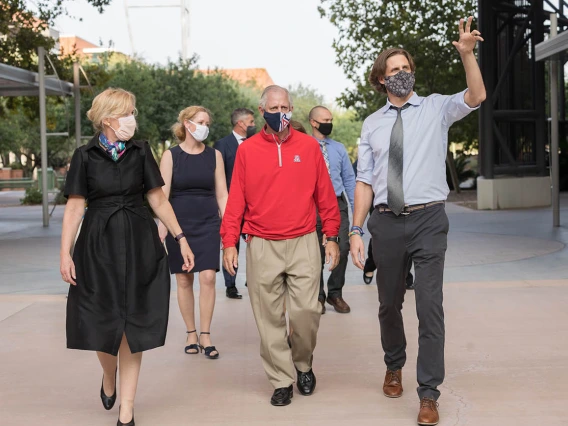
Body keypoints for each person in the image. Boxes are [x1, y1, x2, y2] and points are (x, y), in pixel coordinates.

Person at [350, 17, 486, 426]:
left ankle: (429, 393)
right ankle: (394, 364)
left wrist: (467, 53)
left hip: (429, 220)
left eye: (406, 68)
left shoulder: (435, 107)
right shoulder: (372, 125)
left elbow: (477, 95)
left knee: (430, 306)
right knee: (389, 303)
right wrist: (356, 230)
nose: (401, 74)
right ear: (380, 79)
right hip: (386, 224)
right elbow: (364, 182)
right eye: (393, 70)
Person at [60, 87, 194, 426]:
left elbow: (159, 200)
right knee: (102, 326)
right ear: (108, 119)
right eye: (127, 113)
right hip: (97, 247)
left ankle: (127, 411)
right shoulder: (85, 156)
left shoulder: (141, 151)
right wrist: (65, 252)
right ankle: (109, 375)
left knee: (132, 327)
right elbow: (75, 207)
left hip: (139, 244)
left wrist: (180, 237)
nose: (132, 119)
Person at [221, 85, 340, 407]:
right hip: (261, 243)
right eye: (274, 108)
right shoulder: (247, 151)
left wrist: (331, 236)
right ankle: (281, 379)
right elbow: (236, 202)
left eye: (285, 107)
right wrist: (229, 243)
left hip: (303, 241)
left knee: (306, 312)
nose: (280, 113)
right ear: (261, 111)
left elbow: (325, 196)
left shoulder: (309, 147)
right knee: (268, 317)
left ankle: (303, 363)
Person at [158, 106, 228, 359]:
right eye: (201, 122)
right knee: (184, 279)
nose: (205, 126)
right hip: (180, 224)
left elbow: (222, 193)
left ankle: (206, 334)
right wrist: (162, 226)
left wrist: (229, 227)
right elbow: (162, 196)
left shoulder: (215, 156)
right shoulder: (170, 156)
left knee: (208, 277)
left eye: (207, 122)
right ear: (187, 124)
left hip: (209, 222)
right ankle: (191, 332)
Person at [309, 106, 356, 314]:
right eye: (325, 119)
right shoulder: (304, 146)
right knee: (314, 253)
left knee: (343, 247)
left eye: (331, 119)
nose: (329, 123)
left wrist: (357, 210)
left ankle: (335, 293)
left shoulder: (338, 148)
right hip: (312, 205)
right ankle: (318, 295)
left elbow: (349, 179)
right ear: (313, 122)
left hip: (337, 204)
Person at [213, 108, 256, 299]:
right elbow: (216, 177)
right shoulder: (221, 145)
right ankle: (231, 285)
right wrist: (220, 206)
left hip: (256, 203)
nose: (255, 125)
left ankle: (255, 278)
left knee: (257, 243)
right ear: (241, 123)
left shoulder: (258, 143)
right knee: (231, 243)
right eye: (252, 122)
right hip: (232, 203)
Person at [353, 159, 415, 289]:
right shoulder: (371, 148)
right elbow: (360, 178)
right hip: (378, 199)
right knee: (380, 236)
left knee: (407, 235)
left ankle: (405, 274)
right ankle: (370, 265)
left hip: (406, 199)